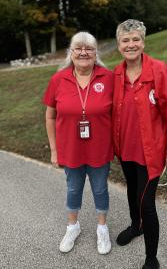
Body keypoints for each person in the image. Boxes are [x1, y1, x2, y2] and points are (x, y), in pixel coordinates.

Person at [112, 19, 167, 269]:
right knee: (131, 191)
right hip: (125, 148)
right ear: (118, 45)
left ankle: (151, 256)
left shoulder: (158, 70)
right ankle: (135, 227)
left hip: (151, 151)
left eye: (136, 39)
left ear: (143, 42)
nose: (131, 44)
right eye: (125, 40)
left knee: (146, 202)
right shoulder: (117, 73)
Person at [43, 31, 114, 255]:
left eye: (89, 48)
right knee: (73, 188)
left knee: (100, 189)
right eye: (78, 48)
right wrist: (54, 150)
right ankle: (73, 226)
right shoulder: (58, 79)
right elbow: (50, 116)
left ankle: (102, 228)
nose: (83, 52)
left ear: (96, 53)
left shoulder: (109, 78)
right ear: (70, 52)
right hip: (71, 149)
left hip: (100, 149)